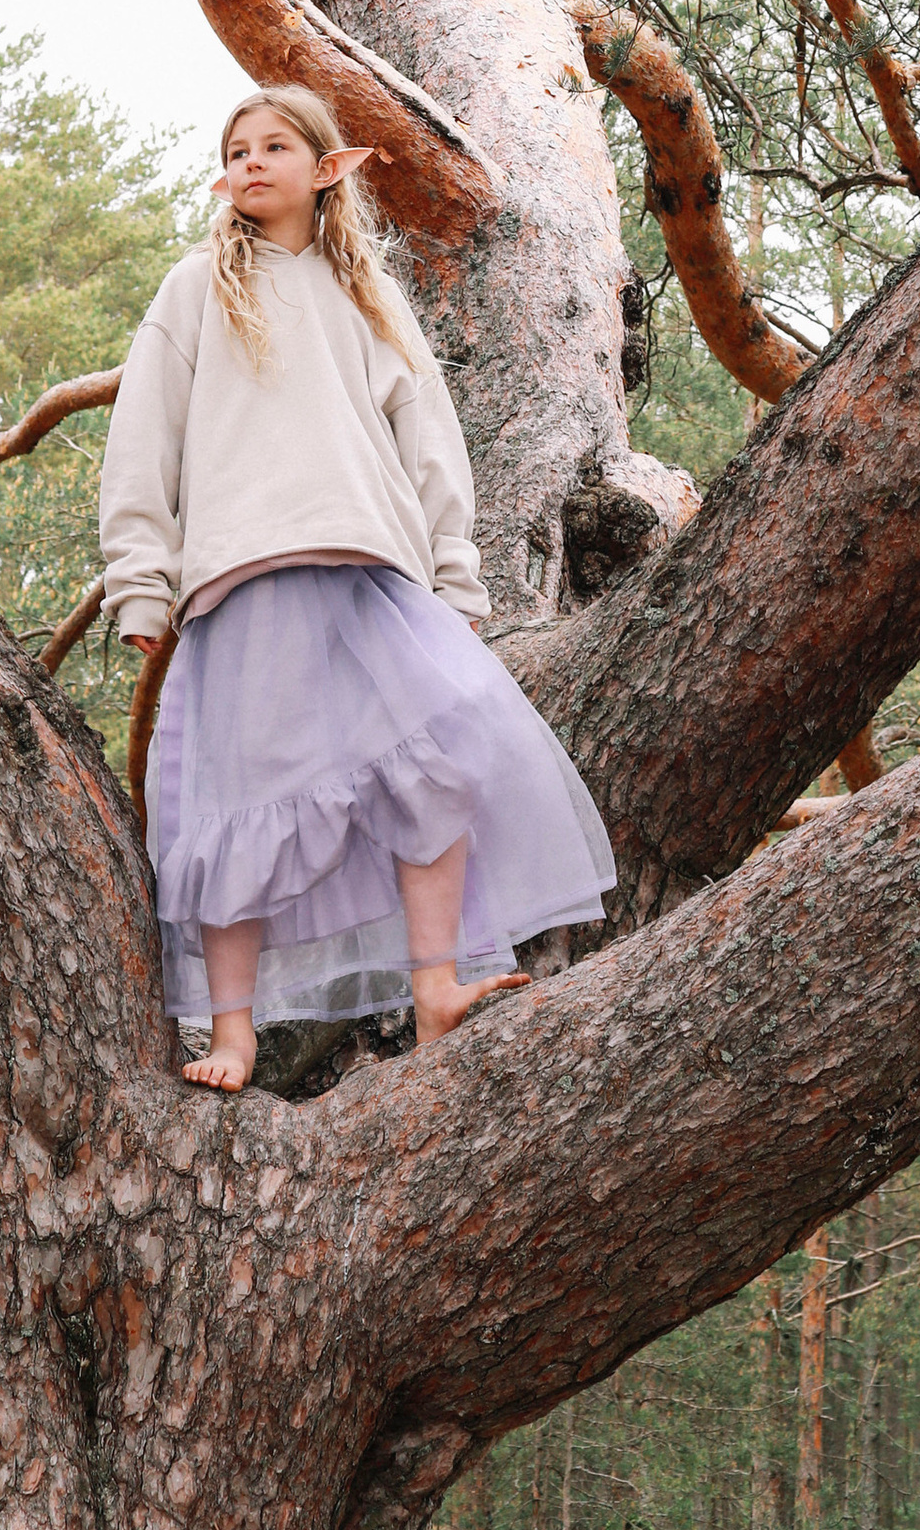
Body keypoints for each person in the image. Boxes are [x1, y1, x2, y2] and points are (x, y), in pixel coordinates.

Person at [100, 80, 617, 1090]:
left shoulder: (368, 299)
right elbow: (140, 444)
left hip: (371, 577)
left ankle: (438, 987)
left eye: (274, 145)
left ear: (327, 167)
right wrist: (140, 588)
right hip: (245, 581)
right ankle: (234, 1035)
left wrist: (453, 578)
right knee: (244, 806)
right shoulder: (197, 289)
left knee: (437, 765)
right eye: (236, 149)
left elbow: (430, 447)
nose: (251, 161)